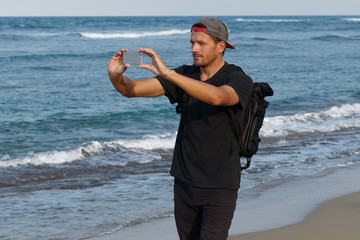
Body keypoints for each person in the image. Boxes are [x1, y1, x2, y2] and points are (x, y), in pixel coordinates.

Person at [108, 17, 253, 240]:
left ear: (221, 46)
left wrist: (170, 75)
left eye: (201, 43)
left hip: (220, 185)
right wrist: (115, 76)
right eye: (192, 42)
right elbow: (133, 89)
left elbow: (218, 97)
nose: (194, 48)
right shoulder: (185, 74)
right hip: (184, 182)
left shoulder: (238, 79)